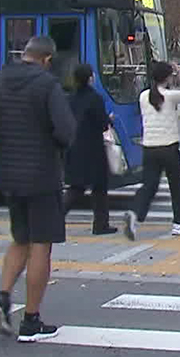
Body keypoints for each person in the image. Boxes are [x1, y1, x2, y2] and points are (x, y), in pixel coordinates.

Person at [0, 36, 76, 342]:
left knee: (19, 238)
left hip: (8, 175)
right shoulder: (47, 85)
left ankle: (3, 297)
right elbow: (66, 131)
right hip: (42, 175)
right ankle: (31, 320)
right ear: (47, 59)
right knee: (41, 245)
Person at [125, 61, 180, 239]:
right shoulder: (170, 96)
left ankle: (135, 213)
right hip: (169, 146)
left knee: (149, 185)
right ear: (167, 77)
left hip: (149, 147)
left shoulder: (143, 97)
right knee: (177, 185)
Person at [63, 64, 117, 236]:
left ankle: (55, 218)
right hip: (93, 148)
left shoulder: (70, 98)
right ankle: (100, 224)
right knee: (99, 187)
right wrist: (109, 120)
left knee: (76, 187)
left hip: (73, 146)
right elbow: (102, 124)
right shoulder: (95, 98)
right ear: (89, 78)